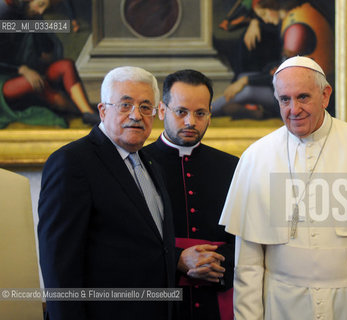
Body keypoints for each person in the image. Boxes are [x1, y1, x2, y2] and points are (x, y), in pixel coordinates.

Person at [219, 56, 347, 319]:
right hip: (281, 305)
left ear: (325, 95)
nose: (293, 109)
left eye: (303, 97)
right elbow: (247, 267)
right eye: (284, 100)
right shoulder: (256, 157)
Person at [38, 66, 176, 320]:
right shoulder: (72, 162)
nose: (136, 115)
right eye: (125, 105)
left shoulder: (150, 163)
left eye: (146, 107)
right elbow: (59, 265)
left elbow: (149, 247)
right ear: (103, 110)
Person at [144, 69, 238, 320]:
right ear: (162, 110)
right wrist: (176, 260)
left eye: (200, 113)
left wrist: (217, 263)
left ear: (210, 114)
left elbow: (246, 235)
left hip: (217, 296)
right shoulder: (140, 164)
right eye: (181, 112)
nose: (190, 122)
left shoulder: (233, 167)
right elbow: (126, 241)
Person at [212, 0, 335, 119]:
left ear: (273, 5)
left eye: (264, 14)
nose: (264, 20)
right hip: (297, 84)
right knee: (243, 78)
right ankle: (260, 113)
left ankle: (207, 111)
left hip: (303, 95)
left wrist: (246, 80)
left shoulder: (295, 27)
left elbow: (291, 73)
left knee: (247, 90)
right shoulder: (294, 15)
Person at [0, 0, 99, 128]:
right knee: (36, 83)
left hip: (32, 72)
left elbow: (46, 53)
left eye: (44, 10)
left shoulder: (34, 19)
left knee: (66, 65)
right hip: (5, 79)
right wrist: (22, 69)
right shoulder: (6, 15)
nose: (41, 11)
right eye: (40, 5)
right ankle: (75, 110)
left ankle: (87, 112)